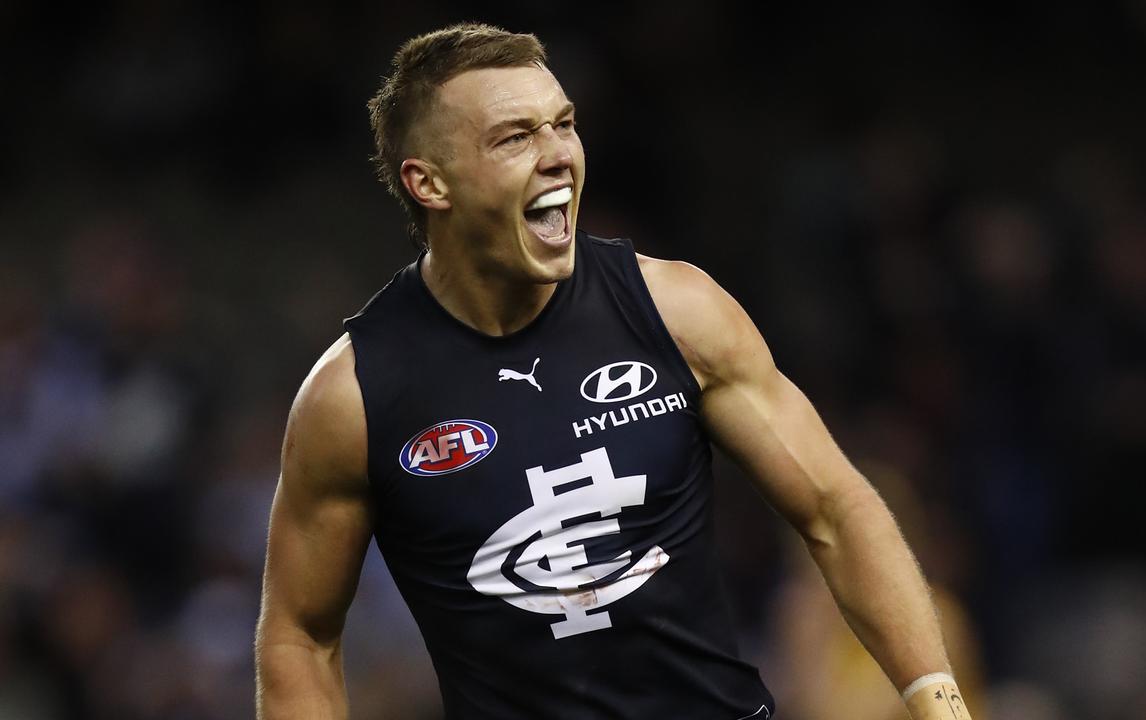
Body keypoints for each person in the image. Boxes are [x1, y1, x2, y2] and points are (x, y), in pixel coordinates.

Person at [254, 22, 974, 720]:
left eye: (563, 125)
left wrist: (938, 702)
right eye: (515, 137)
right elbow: (299, 637)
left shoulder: (677, 312)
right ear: (429, 183)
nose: (559, 154)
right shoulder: (354, 397)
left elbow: (836, 508)